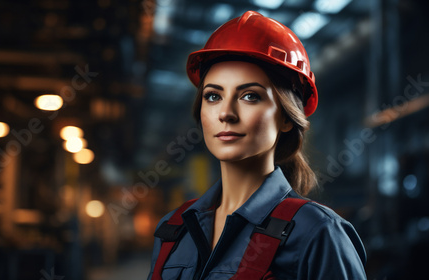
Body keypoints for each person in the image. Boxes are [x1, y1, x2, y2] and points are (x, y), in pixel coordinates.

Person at [148, 11, 367, 280]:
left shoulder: (318, 233)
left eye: (250, 96)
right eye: (213, 96)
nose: (225, 113)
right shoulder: (173, 229)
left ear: (287, 117)